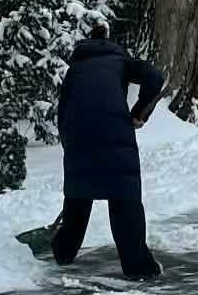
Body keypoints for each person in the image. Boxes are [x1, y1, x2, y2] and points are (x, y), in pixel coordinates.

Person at [47, 20, 165, 275]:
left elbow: (63, 110)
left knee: (78, 196)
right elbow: (155, 77)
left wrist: (71, 145)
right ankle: (138, 267)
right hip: (115, 130)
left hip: (78, 135)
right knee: (124, 196)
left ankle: (63, 252)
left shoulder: (75, 69)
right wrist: (139, 114)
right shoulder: (120, 61)